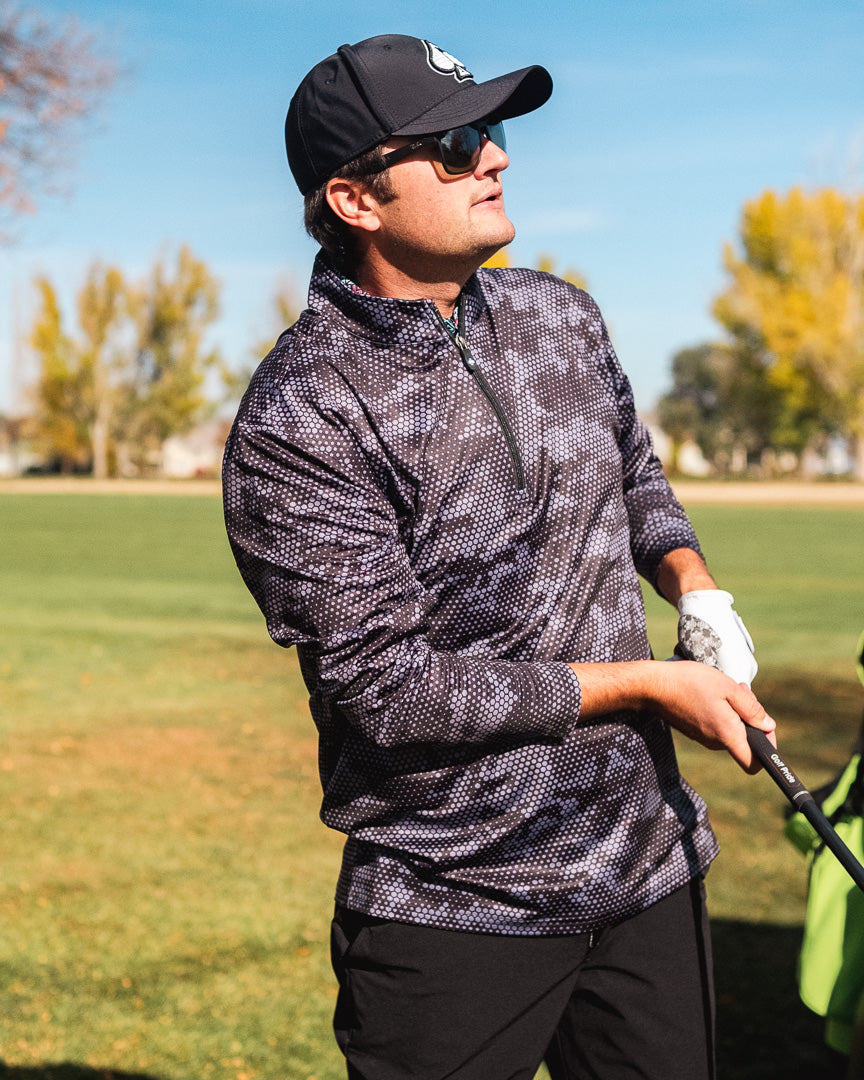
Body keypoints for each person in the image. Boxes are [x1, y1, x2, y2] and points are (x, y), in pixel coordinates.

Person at [222, 34, 775, 1080]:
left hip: (647, 869)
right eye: (456, 143)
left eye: (496, 131)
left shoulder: (559, 316)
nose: (497, 158)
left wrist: (697, 588)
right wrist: (652, 683)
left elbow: (635, 479)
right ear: (355, 199)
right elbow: (393, 695)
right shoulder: (303, 415)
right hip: (454, 903)